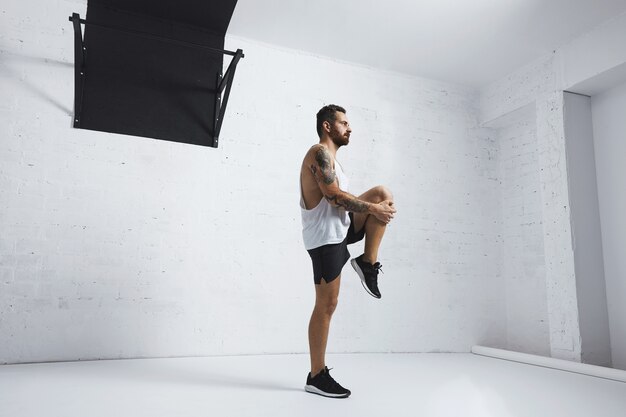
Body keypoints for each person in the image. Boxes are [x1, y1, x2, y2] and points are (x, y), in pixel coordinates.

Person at [299, 104, 396, 398]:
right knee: (327, 305)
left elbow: (344, 199)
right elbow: (332, 196)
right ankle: (316, 376)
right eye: (344, 123)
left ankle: (367, 262)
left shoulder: (335, 162)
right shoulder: (319, 153)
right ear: (327, 126)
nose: (349, 128)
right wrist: (373, 210)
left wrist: (375, 207)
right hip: (324, 239)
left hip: (341, 230)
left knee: (382, 194)